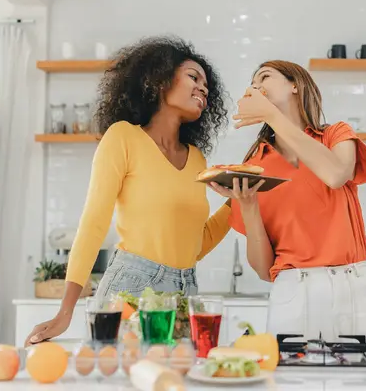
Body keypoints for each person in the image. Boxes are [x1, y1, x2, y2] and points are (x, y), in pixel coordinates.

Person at [25, 36, 231, 346]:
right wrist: (65, 311)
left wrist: (238, 204)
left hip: (185, 291)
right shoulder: (123, 137)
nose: (203, 88)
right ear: (160, 79)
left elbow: (194, 243)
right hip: (132, 286)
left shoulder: (197, 159)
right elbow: (93, 223)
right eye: (193, 76)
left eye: (206, 85)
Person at [211, 60, 366, 342]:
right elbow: (262, 268)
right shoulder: (255, 166)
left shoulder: (336, 135)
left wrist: (271, 115)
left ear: (295, 85)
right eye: (253, 84)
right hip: (293, 292)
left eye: (265, 78)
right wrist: (248, 206)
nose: (256, 87)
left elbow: (335, 175)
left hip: (353, 289)